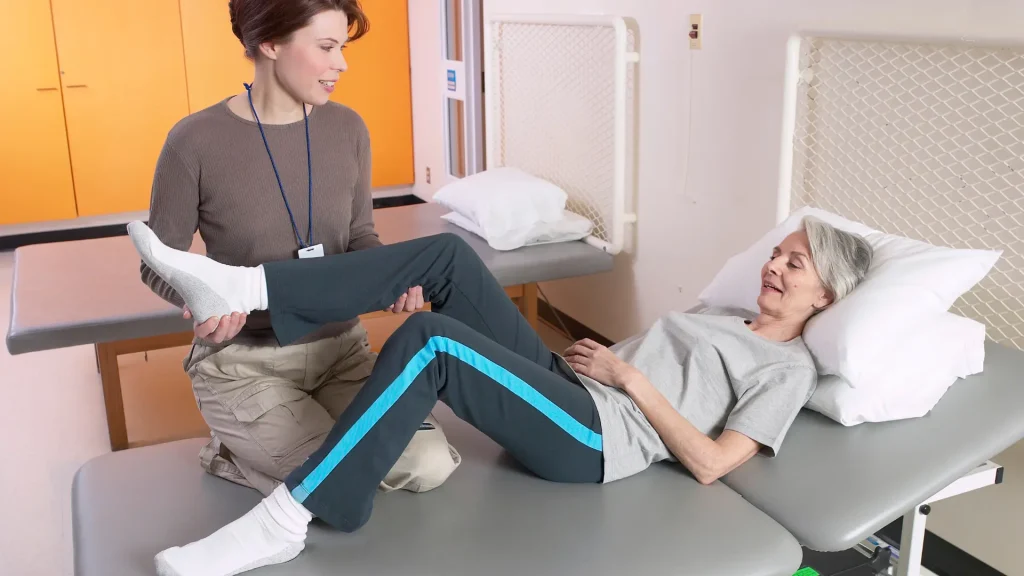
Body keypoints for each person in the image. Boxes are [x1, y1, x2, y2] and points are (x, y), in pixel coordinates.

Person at [126, 215, 872, 576]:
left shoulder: (789, 369)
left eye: (794, 264)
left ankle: (292, 515)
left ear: (826, 292)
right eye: (777, 254)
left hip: (598, 439)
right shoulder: (726, 316)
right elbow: (679, 367)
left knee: (431, 343)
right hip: (582, 386)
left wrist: (630, 378)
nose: (774, 267)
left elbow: (713, 462)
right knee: (450, 257)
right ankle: (246, 285)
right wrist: (615, 359)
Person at [140, 0, 460, 500]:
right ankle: (229, 453)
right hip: (243, 362)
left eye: (343, 48)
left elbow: (359, 237)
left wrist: (393, 276)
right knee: (334, 480)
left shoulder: (348, 129)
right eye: (327, 47)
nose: (342, 64)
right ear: (270, 44)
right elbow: (158, 262)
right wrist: (202, 301)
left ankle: (267, 460)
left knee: (428, 465)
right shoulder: (194, 141)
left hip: (342, 353)